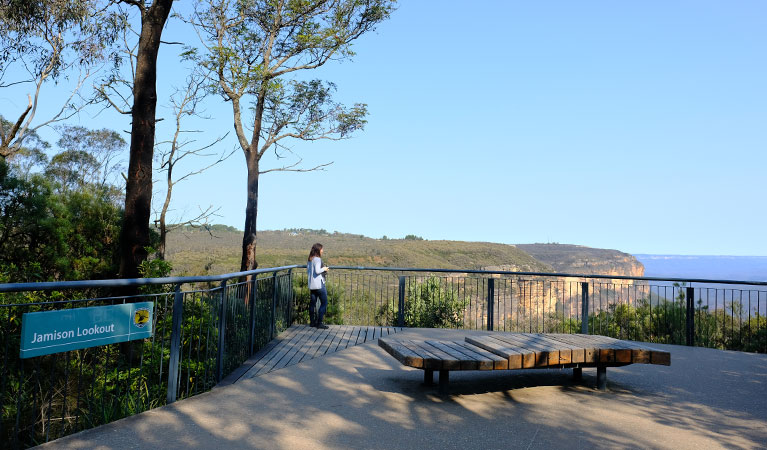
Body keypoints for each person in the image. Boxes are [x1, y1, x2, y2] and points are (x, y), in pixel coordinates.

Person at [307, 243, 329, 329]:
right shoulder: (317, 259)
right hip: (319, 285)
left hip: (312, 285)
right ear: (318, 250)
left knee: (312, 303)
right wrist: (324, 269)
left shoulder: (310, 259)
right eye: (322, 249)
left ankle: (312, 322)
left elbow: (309, 271)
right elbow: (317, 271)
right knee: (324, 303)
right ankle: (319, 323)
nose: (322, 251)